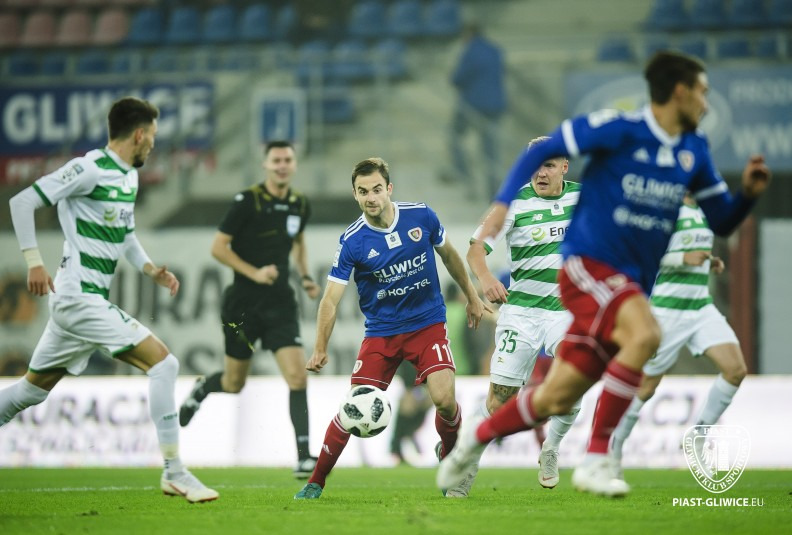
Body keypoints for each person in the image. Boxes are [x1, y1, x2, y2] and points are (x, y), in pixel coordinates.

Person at [437, 50, 771, 497]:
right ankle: (598, 458)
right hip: (585, 268)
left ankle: (478, 443)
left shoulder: (694, 151)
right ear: (679, 92)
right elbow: (546, 148)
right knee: (644, 335)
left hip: (622, 281)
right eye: (702, 92)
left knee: (558, 395)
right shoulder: (619, 130)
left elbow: (723, 220)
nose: (707, 104)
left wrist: (747, 194)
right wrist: (500, 205)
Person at [1, 97, 218, 503]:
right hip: (78, 298)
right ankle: (175, 472)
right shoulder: (89, 169)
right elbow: (23, 201)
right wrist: (34, 261)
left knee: (30, 392)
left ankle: (175, 472)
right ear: (138, 134)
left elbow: (126, 234)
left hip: (82, 302)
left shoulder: (129, 177)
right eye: (152, 136)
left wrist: (150, 269)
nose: (153, 144)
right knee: (164, 364)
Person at [294, 157, 490, 499]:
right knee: (354, 407)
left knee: (444, 400)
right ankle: (315, 482)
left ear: (389, 189)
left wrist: (472, 296)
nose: (371, 197)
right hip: (382, 334)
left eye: (376, 190)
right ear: (355, 195)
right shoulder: (352, 241)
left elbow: (449, 255)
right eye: (363, 192)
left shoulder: (421, 216)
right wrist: (320, 347)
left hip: (427, 324)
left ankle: (450, 458)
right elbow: (330, 300)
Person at [178, 140, 321, 478]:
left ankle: (304, 457)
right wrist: (254, 273)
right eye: (276, 160)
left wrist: (304, 276)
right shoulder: (247, 201)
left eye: (287, 160)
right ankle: (204, 387)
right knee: (234, 383)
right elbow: (218, 247)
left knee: (298, 376)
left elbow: (298, 242)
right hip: (242, 304)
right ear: (265, 165)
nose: (282, 165)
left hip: (280, 302)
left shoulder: (299, 204)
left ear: (294, 164)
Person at [464, 136, 582, 492]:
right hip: (522, 313)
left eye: (549, 165)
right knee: (500, 400)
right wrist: (486, 279)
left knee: (576, 376)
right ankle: (465, 463)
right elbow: (475, 249)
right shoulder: (511, 204)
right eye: (535, 165)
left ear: (564, 167)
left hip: (566, 311)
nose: (541, 172)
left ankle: (551, 447)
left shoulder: (584, 198)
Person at [610, 194, 746, 474]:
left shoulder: (705, 209)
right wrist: (684, 258)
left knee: (735, 370)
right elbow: (644, 253)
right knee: (646, 386)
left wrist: (709, 262)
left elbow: (693, 249)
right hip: (667, 311)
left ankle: (698, 436)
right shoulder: (664, 207)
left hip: (700, 307)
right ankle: (613, 447)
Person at [447, 23, 507, 200]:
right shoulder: (495, 50)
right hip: (495, 105)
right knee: (490, 150)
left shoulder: (470, 51)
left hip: (473, 104)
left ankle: (465, 177)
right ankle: (493, 192)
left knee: (454, 136)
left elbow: (458, 78)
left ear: (468, 34)